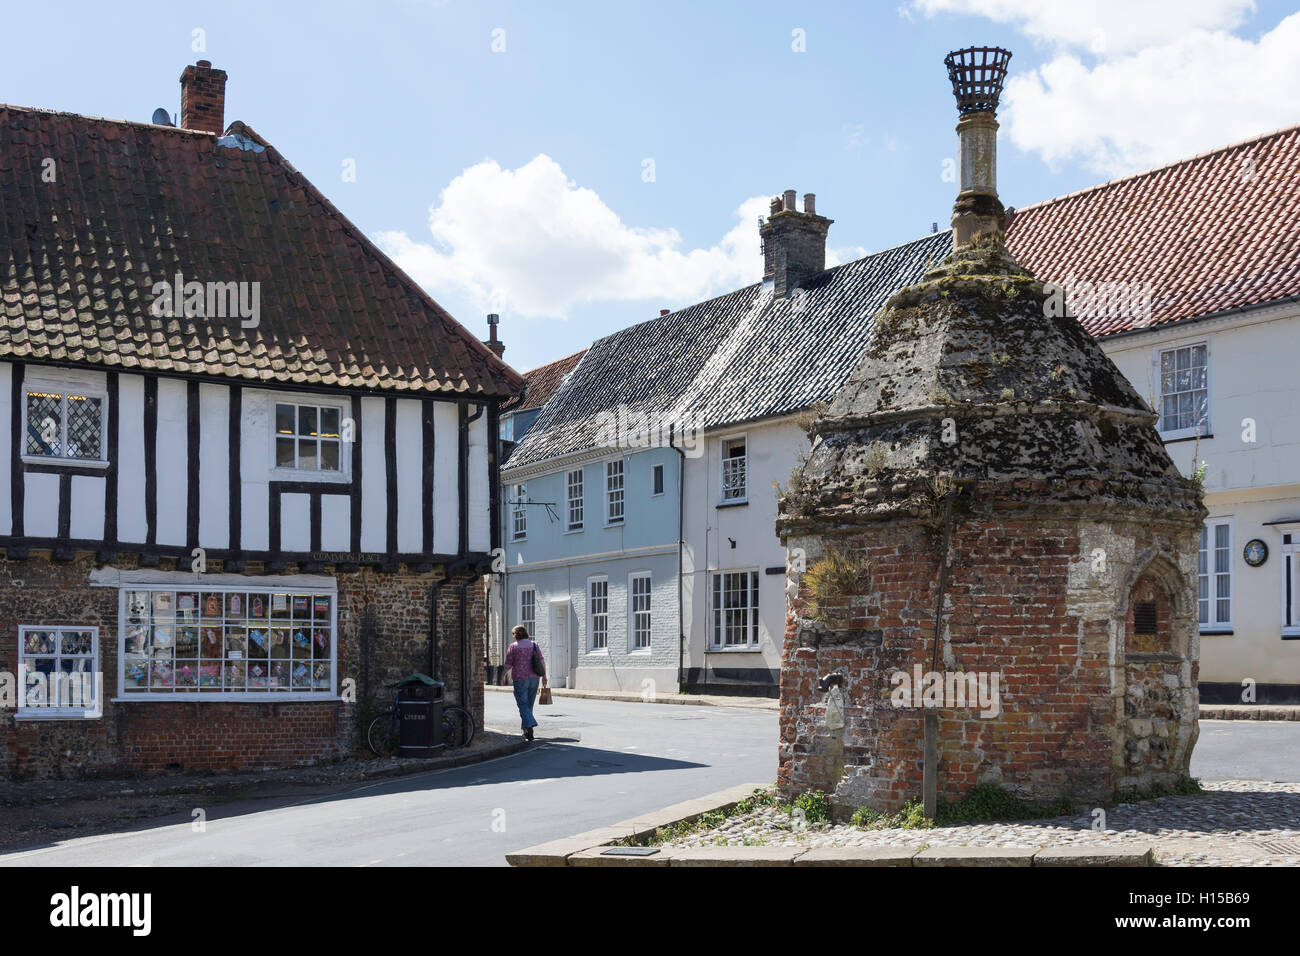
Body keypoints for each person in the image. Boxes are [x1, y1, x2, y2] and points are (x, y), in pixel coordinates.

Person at [505, 625, 547, 741]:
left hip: (520, 679)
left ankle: (530, 723)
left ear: (515, 635)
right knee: (529, 706)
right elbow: (541, 661)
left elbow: (508, 664)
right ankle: (528, 731)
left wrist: (502, 675)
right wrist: (544, 676)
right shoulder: (534, 644)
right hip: (534, 678)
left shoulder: (513, 646)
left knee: (523, 705)